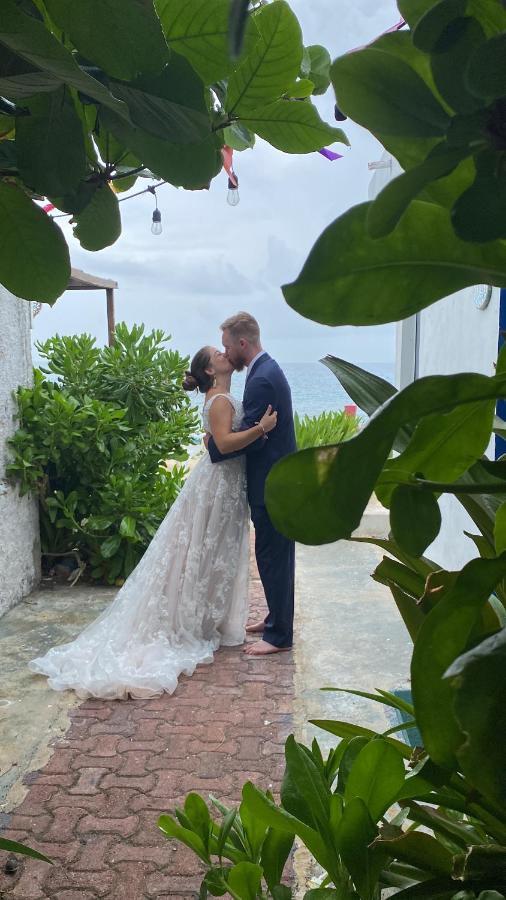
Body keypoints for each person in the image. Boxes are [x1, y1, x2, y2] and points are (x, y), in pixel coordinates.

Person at [28, 347, 277, 700]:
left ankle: (206, 617)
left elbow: (214, 442)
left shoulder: (218, 397)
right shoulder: (221, 400)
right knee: (207, 550)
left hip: (223, 482)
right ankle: (197, 622)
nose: (225, 354)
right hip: (219, 484)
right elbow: (222, 443)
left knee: (208, 551)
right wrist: (262, 429)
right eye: (218, 353)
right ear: (210, 367)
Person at [207, 312, 296, 656]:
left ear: (243, 343)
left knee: (273, 555)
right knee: (275, 554)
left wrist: (213, 445)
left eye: (229, 346)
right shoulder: (264, 370)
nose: (226, 353)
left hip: (272, 482)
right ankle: (277, 618)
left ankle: (278, 636)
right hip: (274, 479)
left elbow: (255, 440)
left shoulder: (261, 379)